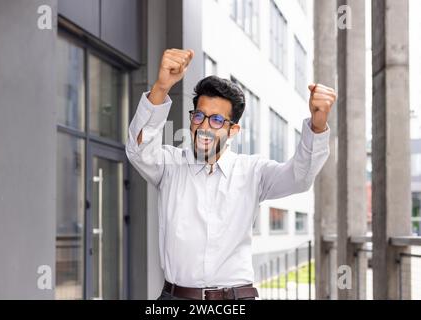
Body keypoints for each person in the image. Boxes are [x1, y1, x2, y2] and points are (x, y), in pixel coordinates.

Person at [126, 49, 337, 300]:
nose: (204, 127)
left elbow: (299, 177)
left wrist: (317, 126)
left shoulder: (253, 172)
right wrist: (161, 86)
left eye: (216, 120)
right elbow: (138, 150)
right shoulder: (170, 165)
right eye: (199, 116)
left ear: (233, 130)